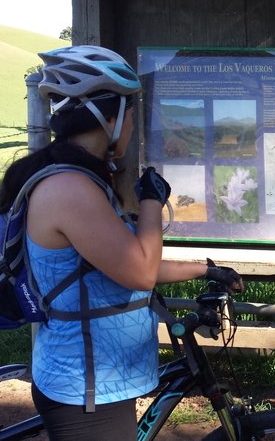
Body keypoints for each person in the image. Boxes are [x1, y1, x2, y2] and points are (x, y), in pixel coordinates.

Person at [0, 45, 244, 440]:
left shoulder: (82, 182)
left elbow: (118, 264)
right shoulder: (71, 190)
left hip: (96, 379)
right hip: (85, 388)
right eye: (130, 115)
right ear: (109, 118)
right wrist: (151, 200)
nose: (132, 125)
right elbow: (141, 271)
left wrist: (204, 269)